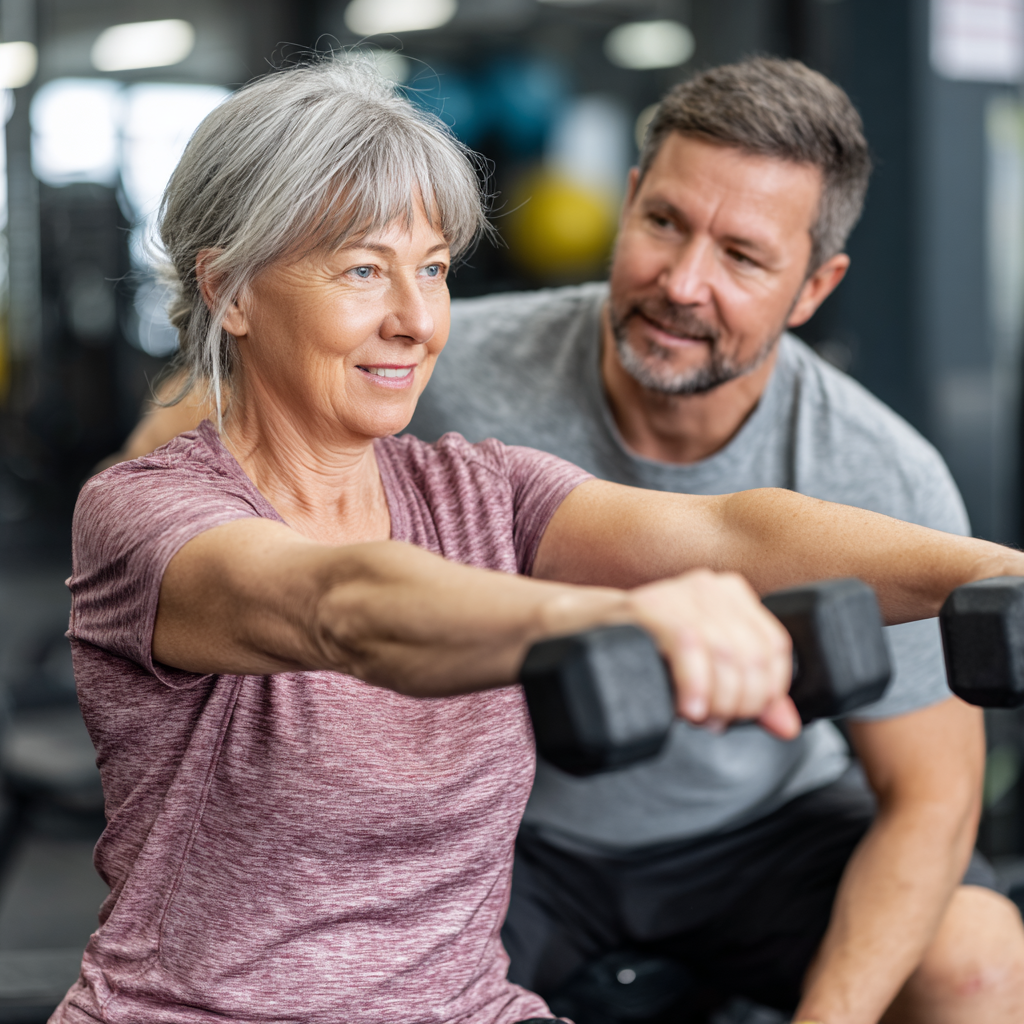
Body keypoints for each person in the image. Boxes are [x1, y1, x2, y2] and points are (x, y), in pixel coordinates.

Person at [94, 58, 1024, 1024]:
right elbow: (348, 606)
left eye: (434, 271)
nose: (416, 321)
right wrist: (630, 619)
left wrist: (996, 569)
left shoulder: (478, 483)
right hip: (263, 978)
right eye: (367, 269)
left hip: (544, 945)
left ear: (813, 286)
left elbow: (725, 527)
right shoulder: (153, 512)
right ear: (232, 292)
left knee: (983, 953)